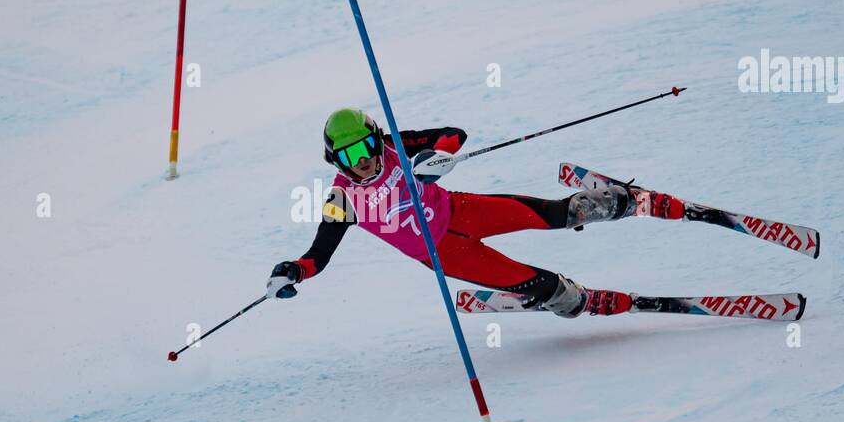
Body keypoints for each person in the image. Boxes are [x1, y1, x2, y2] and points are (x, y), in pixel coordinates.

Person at [265, 108, 685, 316]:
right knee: (541, 284)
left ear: (376, 138)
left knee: (558, 214)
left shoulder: (393, 145)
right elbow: (318, 255)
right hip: (447, 255)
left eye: (366, 147)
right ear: (335, 161)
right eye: (348, 155)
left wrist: (433, 159)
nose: (362, 160)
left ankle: (621, 201)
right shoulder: (342, 200)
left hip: (463, 210)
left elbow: (453, 135)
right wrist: (294, 271)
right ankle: (576, 300)